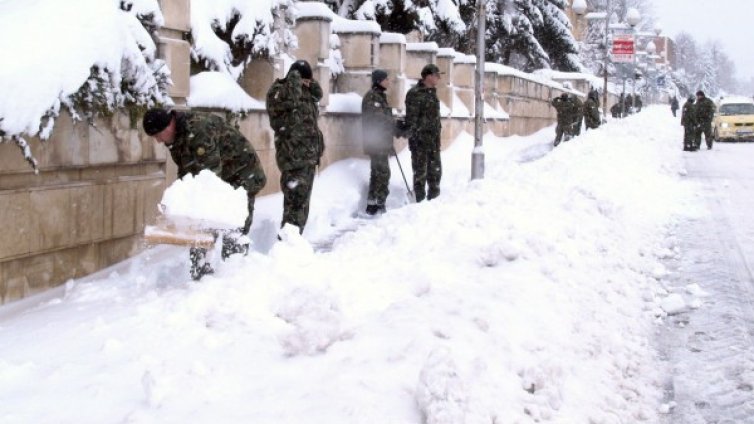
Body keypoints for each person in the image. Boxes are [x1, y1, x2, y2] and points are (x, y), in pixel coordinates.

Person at [142, 107, 267, 280]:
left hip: (242, 176)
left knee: (232, 229)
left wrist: (194, 208)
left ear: (168, 126)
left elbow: (209, 178)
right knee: (200, 230)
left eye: (158, 135)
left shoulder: (198, 130)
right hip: (220, 176)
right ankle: (200, 278)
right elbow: (187, 173)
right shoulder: (176, 138)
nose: (157, 141)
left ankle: (234, 280)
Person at [266, 59, 325, 234]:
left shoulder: (304, 93)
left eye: (309, 81)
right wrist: (294, 79)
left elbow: (318, 95)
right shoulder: (280, 91)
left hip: (308, 158)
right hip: (293, 159)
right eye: (305, 80)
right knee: (294, 205)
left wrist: (308, 82)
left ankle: (295, 243)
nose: (307, 84)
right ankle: (286, 245)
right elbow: (287, 103)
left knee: (302, 206)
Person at [405, 63, 443, 202]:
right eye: (436, 75)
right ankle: (419, 204)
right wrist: (417, 138)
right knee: (420, 174)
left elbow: (435, 119)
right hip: (420, 142)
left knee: (435, 173)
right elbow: (411, 120)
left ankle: (434, 201)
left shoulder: (432, 93)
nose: (438, 78)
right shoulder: (415, 94)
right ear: (428, 76)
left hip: (433, 142)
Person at [361, 69, 395, 215]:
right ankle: (379, 203)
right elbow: (377, 119)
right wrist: (394, 123)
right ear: (379, 81)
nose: (388, 81)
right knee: (382, 173)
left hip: (381, 141)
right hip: (376, 141)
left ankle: (372, 204)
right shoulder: (372, 97)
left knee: (377, 172)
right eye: (386, 79)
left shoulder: (380, 96)